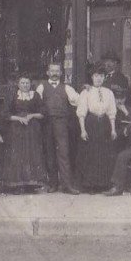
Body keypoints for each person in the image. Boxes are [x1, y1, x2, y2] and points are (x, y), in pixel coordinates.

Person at [36, 63, 81, 194]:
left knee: (63, 153)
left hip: (62, 123)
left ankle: (67, 185)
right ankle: (53, 184)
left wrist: (87, 91)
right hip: (47, 123)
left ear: (61, 73)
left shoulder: (66, 87)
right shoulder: (41, 86)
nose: (55, 73)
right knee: (49, 153)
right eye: (52, 71)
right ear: (48, 73)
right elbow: (35, 102)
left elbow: (78, 101)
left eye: (57, 71)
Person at [0, 75, 48, 192]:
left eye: (27, 83)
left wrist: (32, 115)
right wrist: (18, 118)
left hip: (32, 129)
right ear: (18, 84)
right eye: (22, 83)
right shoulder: (13, 95)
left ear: (30, 84)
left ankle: (31, 185)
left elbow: (43, 112)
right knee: (18, 154)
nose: (25, 85)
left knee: (31, 153)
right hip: (16, 129)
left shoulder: (35, 95)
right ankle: (17, 185)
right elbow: (5, 113)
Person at [75, 65, 118, 191]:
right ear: (92, 77)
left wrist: (113, 129)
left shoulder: (109, 92)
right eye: (96, 76)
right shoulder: (86, 92)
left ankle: (103, 184)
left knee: (104, 153)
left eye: (101, 76)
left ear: (104, 78)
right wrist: (83, 130)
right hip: (91, 123)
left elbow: (111, 112)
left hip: (104, 124)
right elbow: (81, 112)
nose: (98, 79)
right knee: (91, 154)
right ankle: (90, 185)